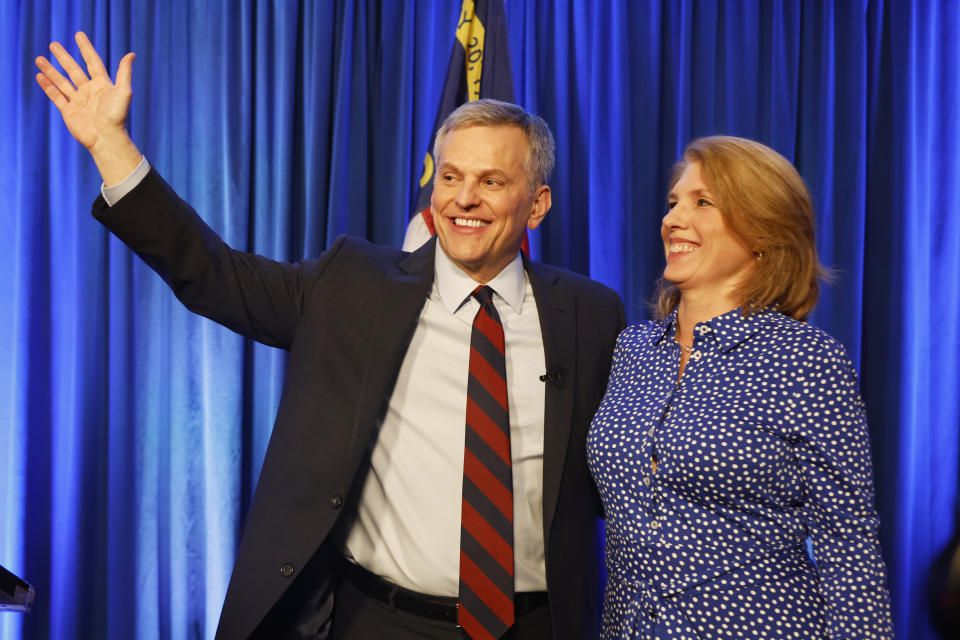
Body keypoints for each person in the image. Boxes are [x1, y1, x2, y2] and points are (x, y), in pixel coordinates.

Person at [35, 33, 625, 640]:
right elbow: (214, 275)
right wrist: (110, 144)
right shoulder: (354, 283)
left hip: (536, 627)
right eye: (450, 177)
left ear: (538, 204)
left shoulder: (590, 314)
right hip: (378, 621)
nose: (464, 199)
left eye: (492, 182)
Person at [587, 136, 894, 639]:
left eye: (702, 202)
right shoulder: (632, 349)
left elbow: (849, 546)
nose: (672, 219)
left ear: (761, 231)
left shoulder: (808, 361)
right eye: (673, 203)